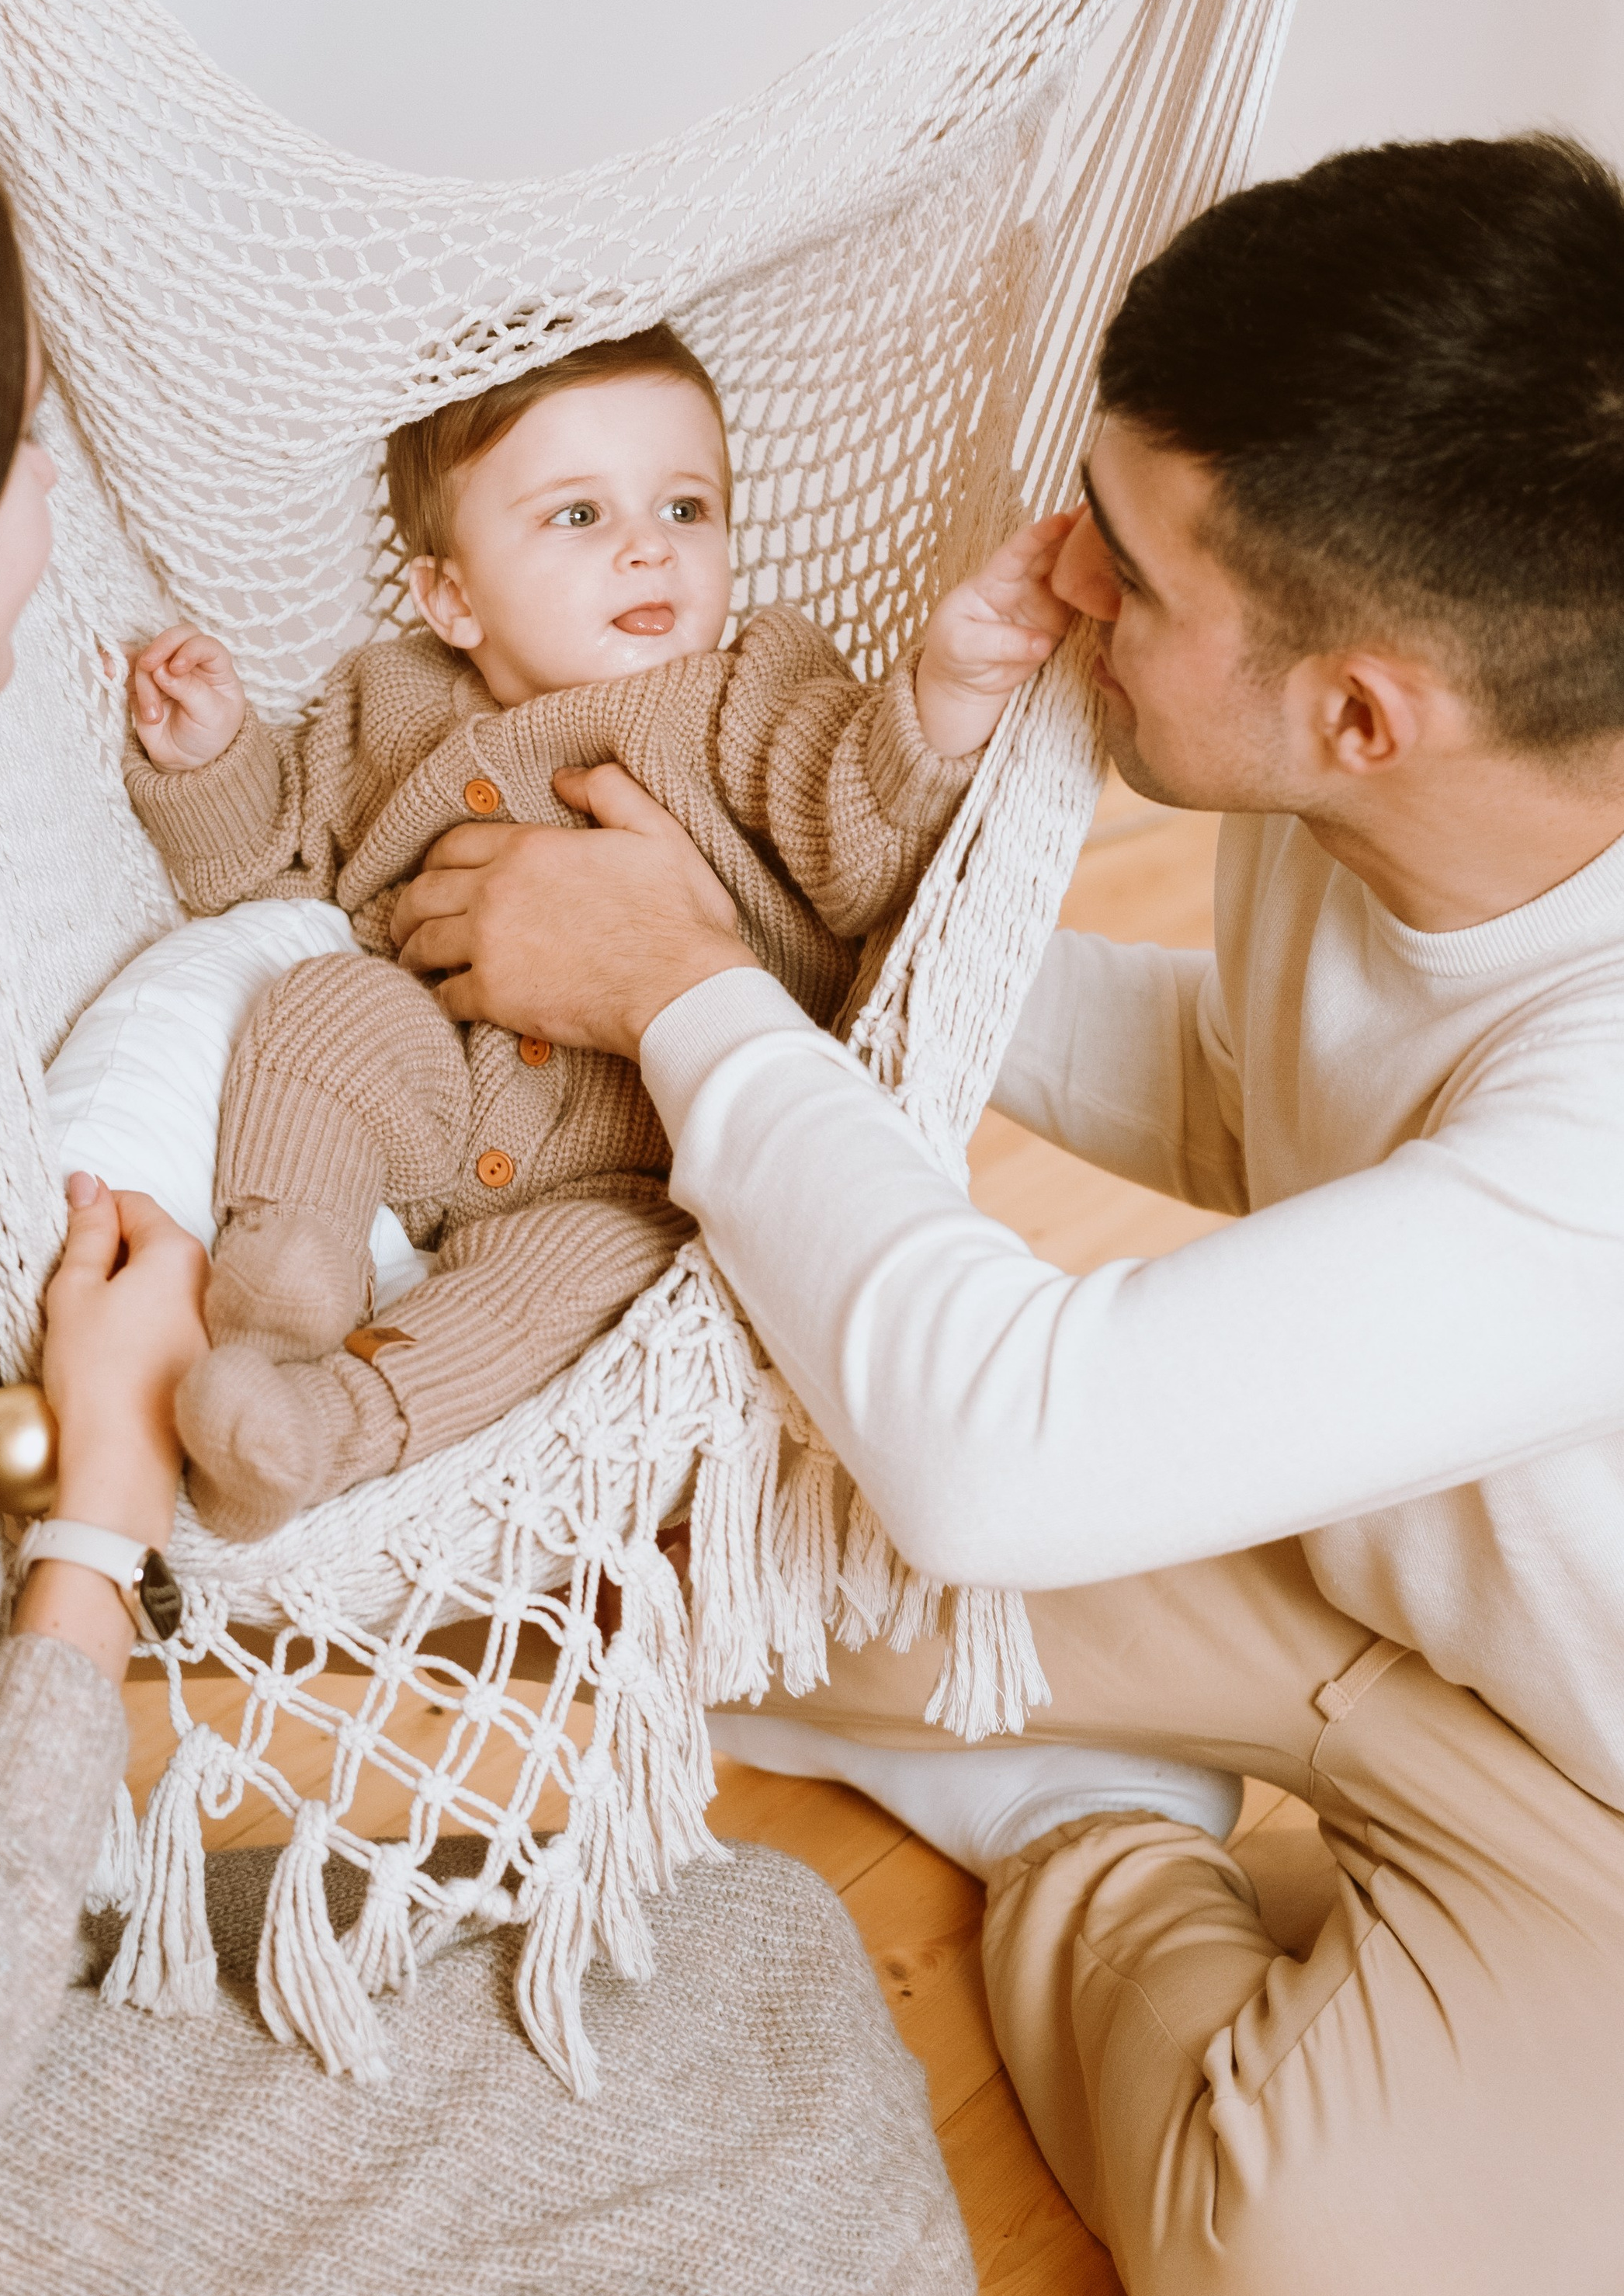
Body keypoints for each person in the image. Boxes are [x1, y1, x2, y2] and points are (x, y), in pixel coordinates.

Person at [0, 56, 973, 2296]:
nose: (63, 484)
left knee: (766, 1968)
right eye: (21, 431)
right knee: (839, 2249)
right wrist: (93, 1523)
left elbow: (872, 809)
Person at [387, 132, 1624, 2296]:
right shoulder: (1418, 799)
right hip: (1338, 1554)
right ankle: (1089, 1745)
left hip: (1593, 1794)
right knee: (556, 1557)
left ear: (1362, 711)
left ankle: (1076, 1825)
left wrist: (685, 1005)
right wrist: (781, 972)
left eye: (1130, 572)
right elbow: (1253, 1085)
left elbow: (1002, 1448)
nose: (1058, 571)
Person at [119, 325, 1068, 1536]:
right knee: (318, 1008)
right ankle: (276, 1302)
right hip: (432, 1089)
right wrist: (210, 761)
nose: (644, 548)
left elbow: (861, 839)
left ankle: (322, 1428)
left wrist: (943, 700)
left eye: (686, 508)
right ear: (451, 595)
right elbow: (272, 869)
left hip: (634, 1162)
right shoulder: (388, 702)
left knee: (585, 1279)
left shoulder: (749, 696)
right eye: (578, 518)